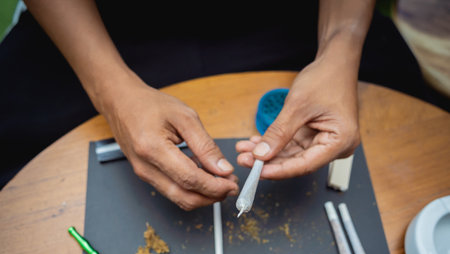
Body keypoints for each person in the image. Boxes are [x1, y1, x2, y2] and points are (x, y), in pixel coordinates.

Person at [20, 0, 376, 210]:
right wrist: (112, 95)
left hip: (287, 18)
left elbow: (342, 43)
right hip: (102, 27)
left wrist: (341, 45)